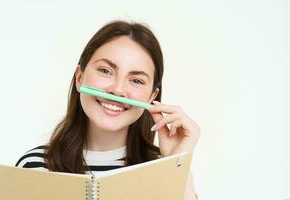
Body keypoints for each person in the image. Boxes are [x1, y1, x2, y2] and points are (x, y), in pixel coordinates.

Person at [15, 20, 200, 199]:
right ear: (80, 78)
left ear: (151, 97)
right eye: (105, 71)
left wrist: (178, 164)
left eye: (136, 80)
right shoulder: (33, 167)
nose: (117, 90)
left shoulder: (165, 172)